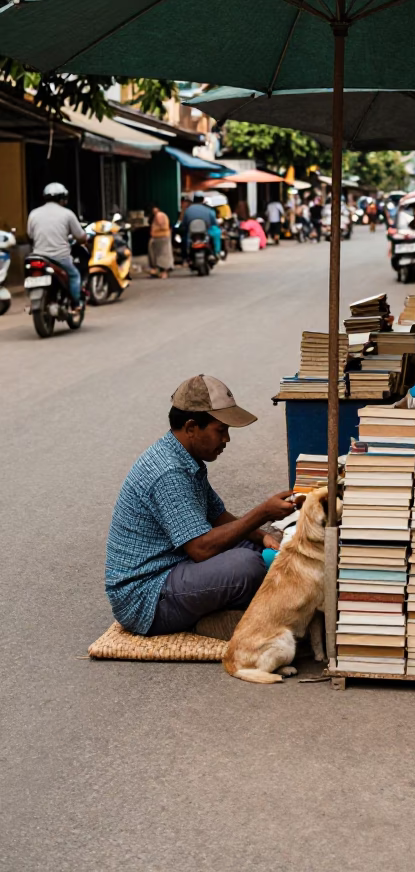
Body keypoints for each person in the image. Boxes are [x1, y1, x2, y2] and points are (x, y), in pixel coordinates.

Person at [105, 375, 297, 636]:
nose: (226, 439)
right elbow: (202, 549)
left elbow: (218, 517)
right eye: (221, 430)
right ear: (192, 427)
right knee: (247, 565)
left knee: (269, 543)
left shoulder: (186, 458)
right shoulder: (168, 471)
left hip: (177, 569)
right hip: (146, 597)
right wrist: (263, 512)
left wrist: (264, 535)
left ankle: (225, 610)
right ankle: (208, 621)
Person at [26, 182, 87, 312]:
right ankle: (76, 304)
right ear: (62, 198)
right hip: (60, 257)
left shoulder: (33, 214)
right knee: (74, 275)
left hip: (38, 256)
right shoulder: (67, 214)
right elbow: (81, 236)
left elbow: (29, 235)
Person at [180, 192, 221, 260]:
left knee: (184, 239)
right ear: (202, 199)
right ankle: (215, 253)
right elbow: (214, 222)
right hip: (205, 233)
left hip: (191, 235)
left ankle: (185, 258)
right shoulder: (208, 209)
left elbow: (184, 223)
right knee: (216, 234)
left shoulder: (188, 210)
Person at [148, 205, 173, 279]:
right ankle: (161, 271)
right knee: (162, 254)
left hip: (160, 237)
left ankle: (163, 271)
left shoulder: (159, 215)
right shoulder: (160, 215)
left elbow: (162, 225)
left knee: (162, 255)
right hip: (161, 237)